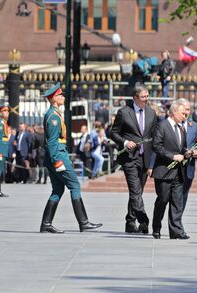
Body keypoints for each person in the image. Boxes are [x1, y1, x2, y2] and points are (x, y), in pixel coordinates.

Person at [40, 83, 102, 233]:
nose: (63, 97)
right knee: (75, 186)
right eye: (60, 95)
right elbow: (52, 142)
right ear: (54, 98)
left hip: (55, 156)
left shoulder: (54, 114)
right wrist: (58, 161)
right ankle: (84, 222)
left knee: (57, 190)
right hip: (58, 156)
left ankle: (46, 224)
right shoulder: (53, 117)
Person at [108, 85, 157, 234]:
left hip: (145, 157)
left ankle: (130, 221)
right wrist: (124, 142)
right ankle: (144, 221)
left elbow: (154, 136)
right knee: (135, 191)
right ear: (135, 98)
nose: (146, 99)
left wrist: (153, 162)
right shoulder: (124, 112)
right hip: (129, 157)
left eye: (148, 96)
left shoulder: (151, 113)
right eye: (143, 97)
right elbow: (113, 133)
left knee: (137, 192)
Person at [151, 101, 191, 239]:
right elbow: (156, 146)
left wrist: (189, 152)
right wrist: (172, 156)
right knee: (162, 200)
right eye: (182, 113)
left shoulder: (181, 128)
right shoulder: (161, 126)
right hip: (164, 170)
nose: (185, 115)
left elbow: (182, 147)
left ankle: (176, 231)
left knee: (177, 202)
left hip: (178, 172)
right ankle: (156, 227)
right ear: (174, 112)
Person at [176, 98, 197, 210]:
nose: (186, 112)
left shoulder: (195, 127)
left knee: (183, 194)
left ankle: (177, 220)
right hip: (172, 166)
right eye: (184, 109)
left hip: (188, 168)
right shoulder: (170, 125)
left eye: (188, 109)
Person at [0, 103, 11, 197]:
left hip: (4, 150)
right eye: (4, 111)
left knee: (0, 171)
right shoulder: (0, 124)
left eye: (7, 111)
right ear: (0, 113)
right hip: (1, 150)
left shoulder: (5, 124)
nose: (7, 113)